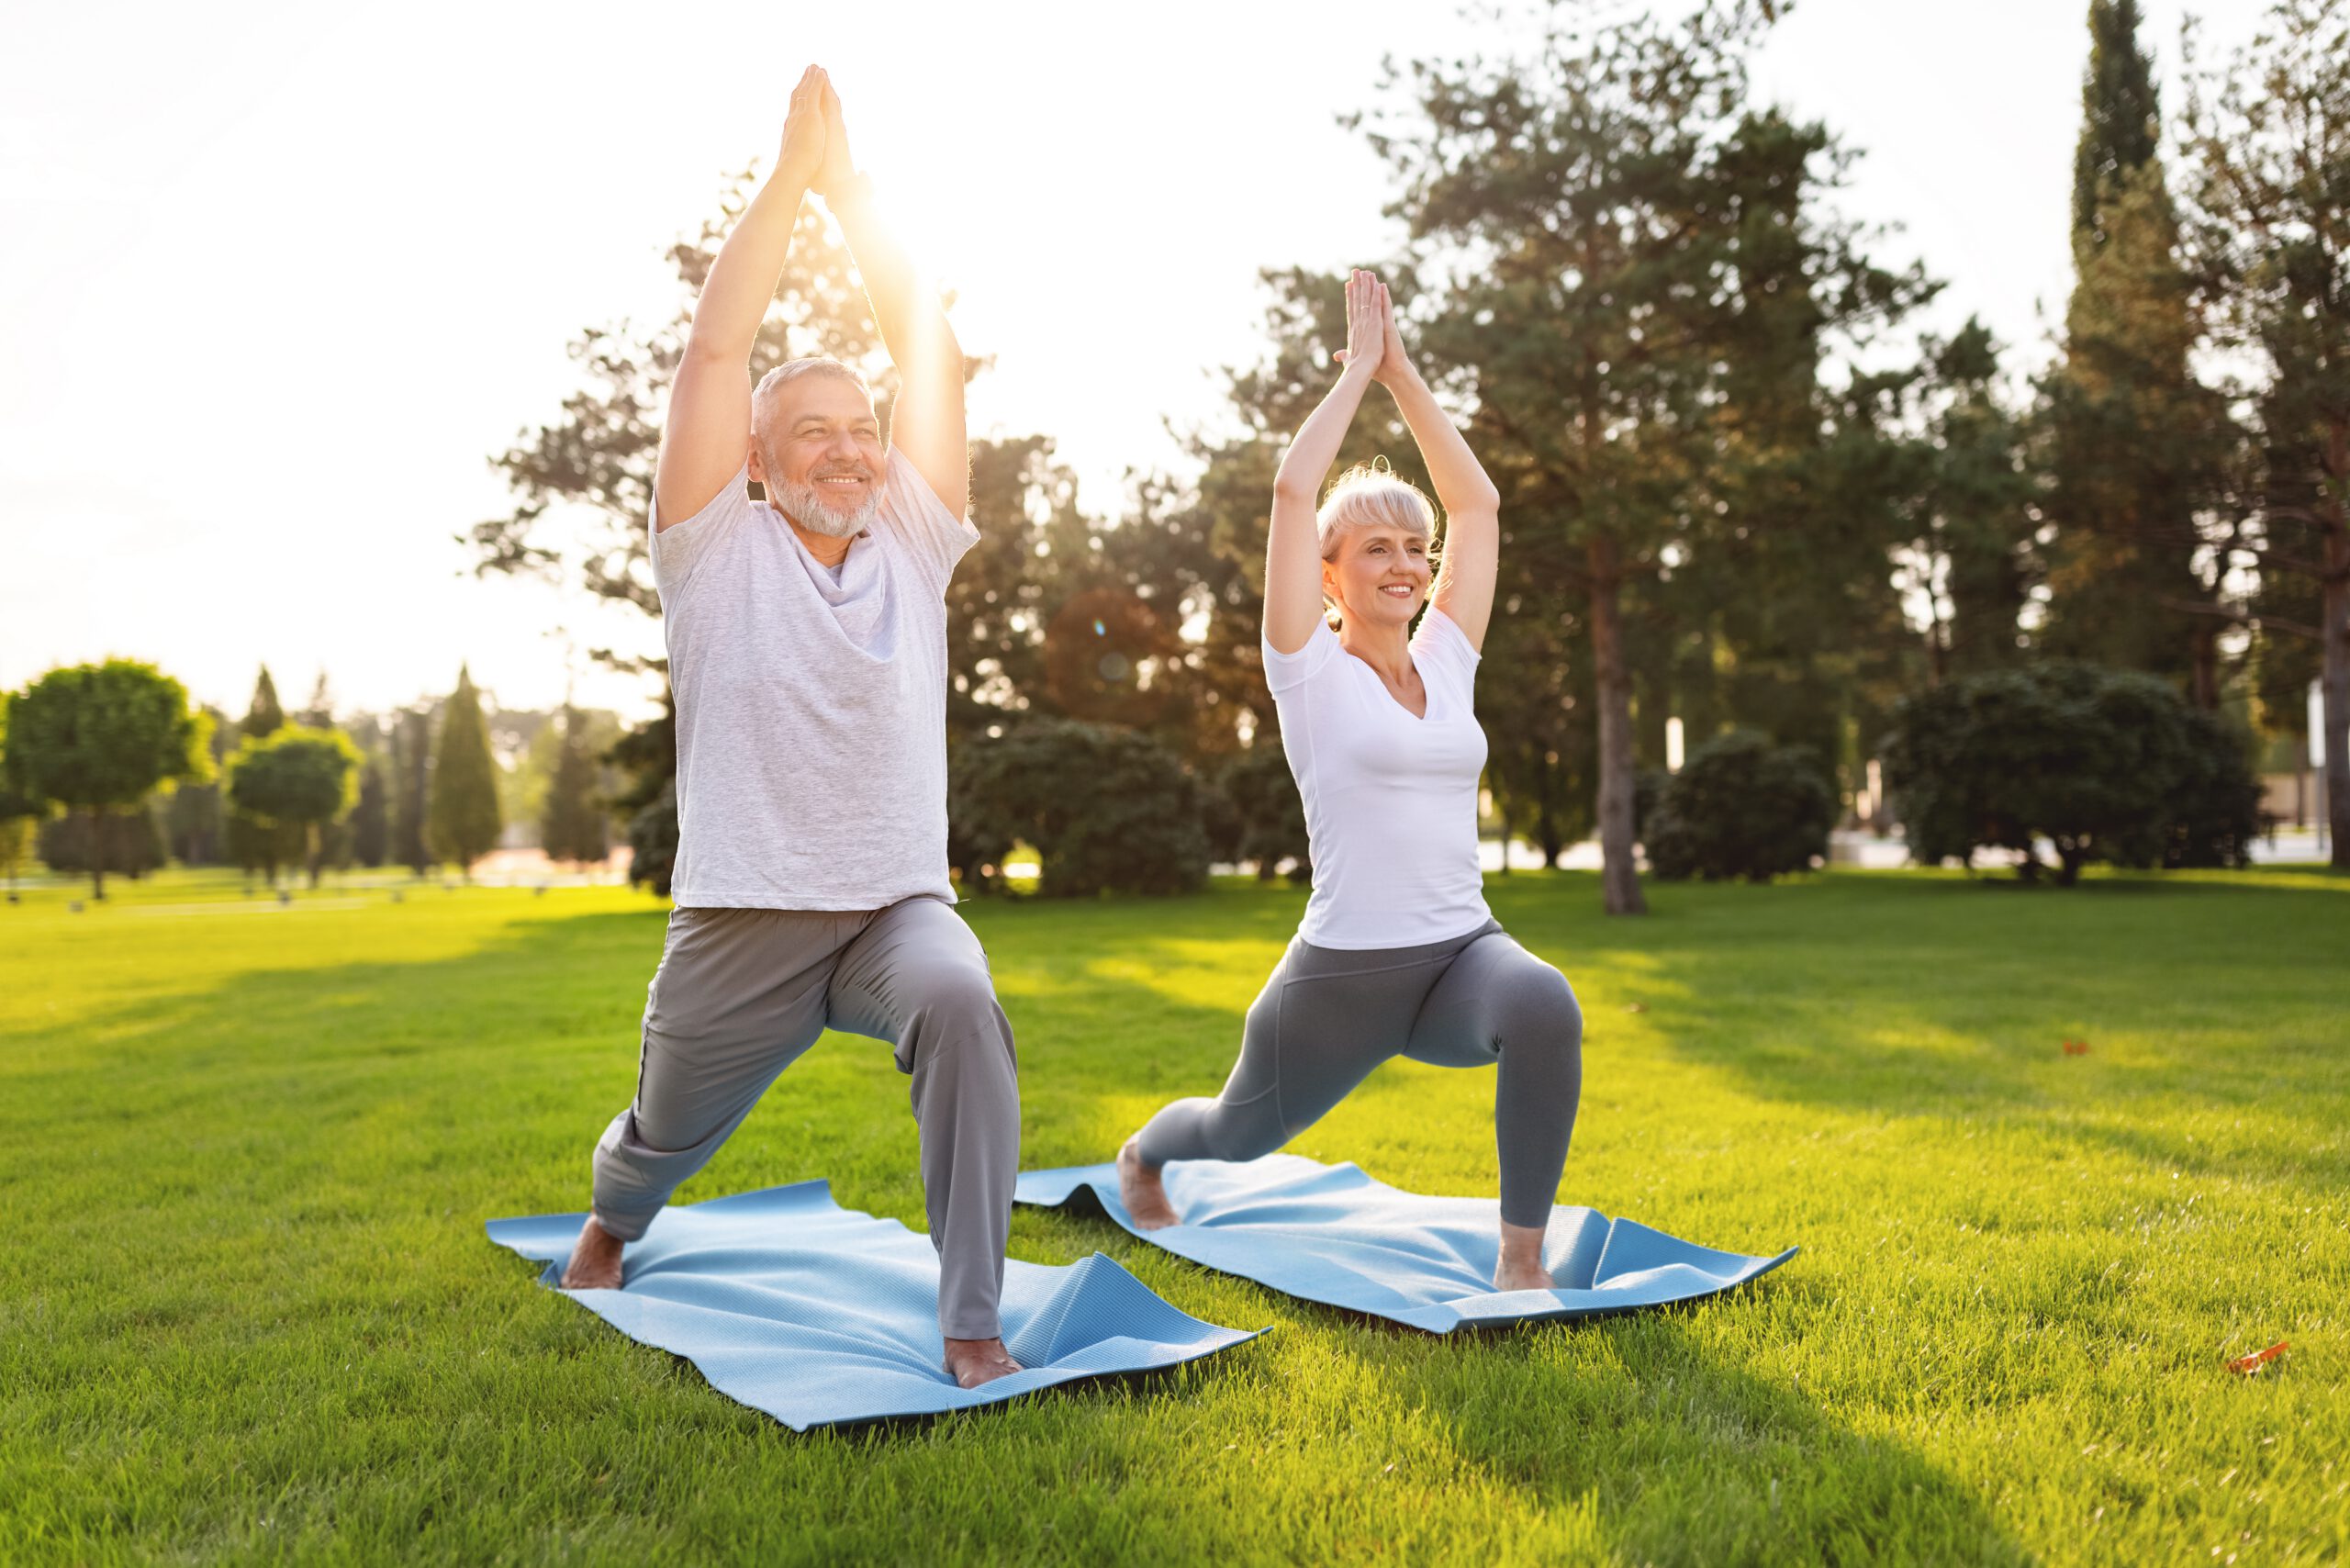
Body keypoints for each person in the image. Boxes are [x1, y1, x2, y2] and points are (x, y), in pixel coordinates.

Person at [558, 67, 1023, 1388]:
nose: (846, 450)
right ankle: (613, 1217)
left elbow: (932, 354)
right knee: (665, 1132)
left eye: (861, 430)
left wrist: (857, 197)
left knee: (963, 1002)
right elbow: (716, 352)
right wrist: (788, 183)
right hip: (742, 915)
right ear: (757, 459)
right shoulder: (710, 548)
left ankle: (971, 1319)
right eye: (808, 432)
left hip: (893, 908)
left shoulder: (915, 542)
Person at [1117, 272, 1585, 1291]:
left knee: (1545, 1003)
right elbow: (1292, 493)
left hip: (1461, 955)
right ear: (1329, 573)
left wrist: (1406, 378)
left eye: (1416, 548)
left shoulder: (1450, 657)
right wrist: (1354, 380)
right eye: (1378, 546)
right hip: (1342, 981)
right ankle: (1143, 1154)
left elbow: (1479, 502)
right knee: (1234, 1133)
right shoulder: (1306, 667)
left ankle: (1519, 1263)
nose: (1408, 563)